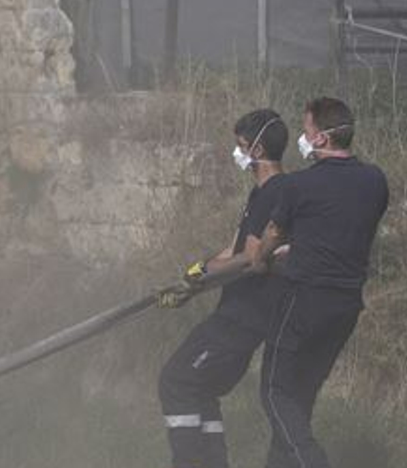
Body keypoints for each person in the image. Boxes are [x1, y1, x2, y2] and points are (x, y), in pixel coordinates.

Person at [251, 97, 390, 468]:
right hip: (344, 306)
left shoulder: (299, 185)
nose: (304, 136)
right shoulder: (375, 181)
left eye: (307, 130)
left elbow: (272, 234)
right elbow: (344, 227)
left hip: (304, 300)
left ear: (322, 139)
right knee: (300, 397)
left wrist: (261, 261)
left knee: (275, 392)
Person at [154, 108, 290, 468]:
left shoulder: (276, 192)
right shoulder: (258, 194)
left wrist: (196, 283)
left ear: (258, 150)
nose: (237, 153)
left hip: (244, 317)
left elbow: (248, 258)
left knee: (176, 381)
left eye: (241, 146)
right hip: (236, 314)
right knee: (202, 389)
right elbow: (230, 251)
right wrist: (193, 275)